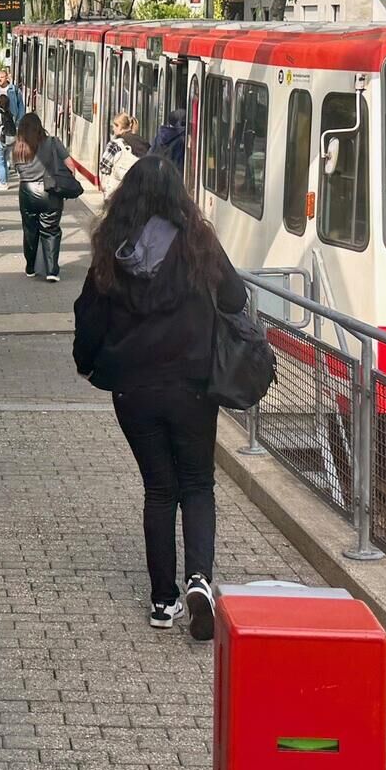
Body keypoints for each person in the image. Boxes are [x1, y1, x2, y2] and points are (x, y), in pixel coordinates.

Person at [71, 156, 248, 640]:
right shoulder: (198, 242)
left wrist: (85, 362)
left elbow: (89, 315)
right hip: (192, 386)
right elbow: (235, 298)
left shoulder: (111, 248)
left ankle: (162, 601)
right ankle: (199, 581)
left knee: (159, 489)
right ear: (178, 198)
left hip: (133, 389)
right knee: (197, 483)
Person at [13, 111, 78, 282]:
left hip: (26, 192)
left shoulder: (18, 147)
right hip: (50, 192)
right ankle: (51, 271)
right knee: (50, 230)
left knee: (30, 230)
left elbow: (17, 170)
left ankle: (30, 267)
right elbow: (70, 165)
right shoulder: (53, 142)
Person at [98, 112, 151, 194]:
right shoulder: (144, 143)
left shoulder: (115, 144)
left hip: (117, 190)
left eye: (114, 126)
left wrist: (104, 183)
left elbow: (104, 166)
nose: (113, 129)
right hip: (137, 190)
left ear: (119, 126)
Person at [151, 108, 188, 173]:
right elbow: (179, 164)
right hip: (171, 174)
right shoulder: (181, 140)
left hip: (157, 172)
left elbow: (151, 153)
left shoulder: (160, 135)